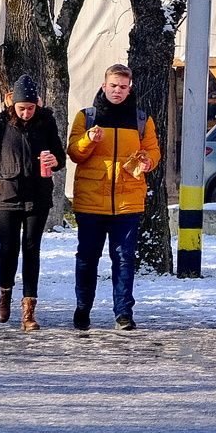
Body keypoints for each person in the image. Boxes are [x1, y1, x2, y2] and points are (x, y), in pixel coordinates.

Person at [67, 63, 161, 332]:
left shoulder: (142, 119)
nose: (118, 91)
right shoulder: (86, 117)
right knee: (87, 257)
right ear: (103, 85)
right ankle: (83, 308)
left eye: (123, 87)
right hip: (91, 200)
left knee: (124, 258)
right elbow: (74, 153)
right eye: (113, 86)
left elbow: (153, 151)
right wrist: (89, 140)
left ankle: (123, 313)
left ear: (129, 88)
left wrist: (148, 162)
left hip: (127, 200)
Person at [0, 76, 64, 331]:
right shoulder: (1, 122)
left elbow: (59, 155)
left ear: (37, 103)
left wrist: (54, 162)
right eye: (21, 108)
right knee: (9, 249)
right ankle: (5, 293)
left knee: (32, 250)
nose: (26, 113)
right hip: (7, 197)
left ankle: (29, 310)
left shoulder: (46, 121)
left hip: (38, 195)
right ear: (12, 104)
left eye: (30, 108)